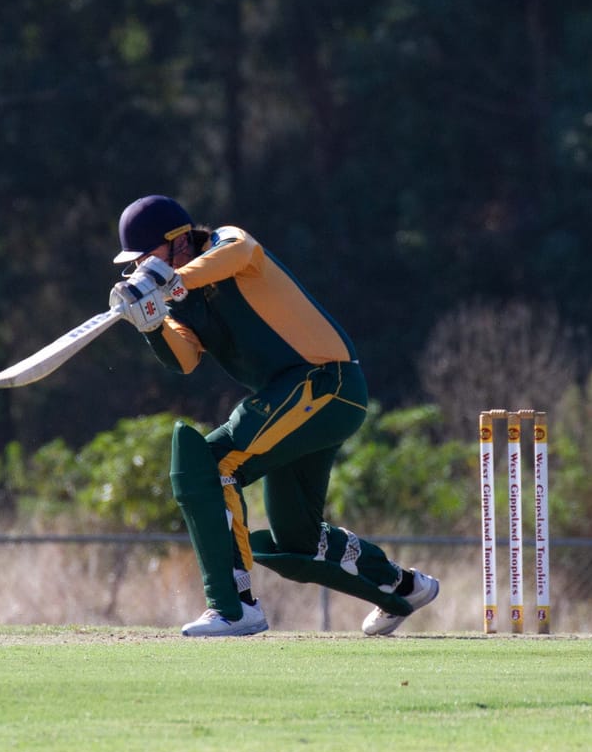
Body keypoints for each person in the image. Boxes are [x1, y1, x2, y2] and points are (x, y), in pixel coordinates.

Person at [106, 194, 440, 637]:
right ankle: (402, 585)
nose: (141, 266)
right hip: (302, 401)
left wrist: (167, 283)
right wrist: (151, 324)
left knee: (212, 463)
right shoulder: (180, 299)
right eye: (137, 262)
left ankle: (233, 606)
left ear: (179, 240)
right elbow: (185, 360)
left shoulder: (228, 243)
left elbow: (237, 251)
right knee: (296, 541)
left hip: (325, 381)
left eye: (147, 255)